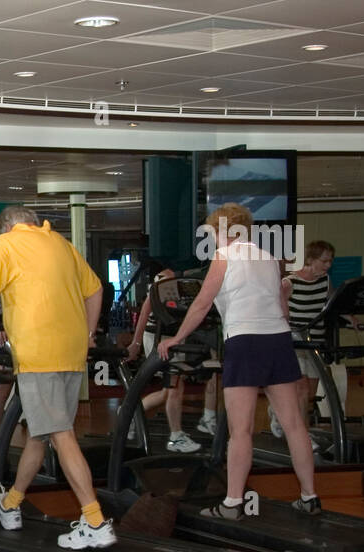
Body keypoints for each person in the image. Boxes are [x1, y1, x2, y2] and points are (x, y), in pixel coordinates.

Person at [0, 206, 116, 550]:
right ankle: (11, 505)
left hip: (38, 354)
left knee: (61, 434)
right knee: (40, 432)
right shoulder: (60, 243)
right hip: (71, 353)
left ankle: (95, 521)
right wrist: (89, 335)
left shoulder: (4, 245)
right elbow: (95, 291)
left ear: (6, 227)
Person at [158, 203, 319, 519]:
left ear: (224, 231)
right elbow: (281, 309)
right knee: (295, 425)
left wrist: (175, 338)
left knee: (241, 430)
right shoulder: (271, 259)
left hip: (244, 342)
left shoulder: (224, 256)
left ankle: (232, 503)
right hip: (278, 340)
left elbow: (202, 304)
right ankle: (309, 496)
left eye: (213, 233)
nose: (213, 239)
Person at [126, 267, 202, 453]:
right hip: (159, 338)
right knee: (175, 386)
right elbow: (145, 312)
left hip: (174, 337)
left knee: (168, 391)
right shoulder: (163, 279)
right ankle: (176, 437)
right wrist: (135, 344)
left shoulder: (185, 282)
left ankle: (128, 414)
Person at [272, 240, 334, 435]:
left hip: (315, 342)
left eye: (330, 261)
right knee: (302, 390)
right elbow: (276, 309)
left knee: (309, 395)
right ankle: (302, 435)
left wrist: (353, 319)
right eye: (324, 261)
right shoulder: (290, 282)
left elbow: (333, 303)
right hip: (295, 342)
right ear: (310, 259)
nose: (328, 265)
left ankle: (277, 412)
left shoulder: (325, 281)